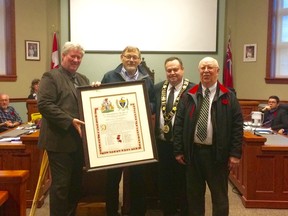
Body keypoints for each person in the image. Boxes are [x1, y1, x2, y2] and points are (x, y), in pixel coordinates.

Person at [173, 57, 243, 216]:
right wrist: (178, 150)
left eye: (210, 67)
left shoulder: (228, 96)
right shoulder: (188, 95)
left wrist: (235, 154)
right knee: (194, 196)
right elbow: (179, 124)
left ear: (217, 71)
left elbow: (238, 126)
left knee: (219, 197)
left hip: (217, 155)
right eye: (203, 68)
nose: (206, 71)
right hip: (193, 154)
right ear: (199, 71)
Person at [37, 42, 97, 216]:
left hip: (79, 143)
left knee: (75, 185)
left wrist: (96, 92)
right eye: (73, 56)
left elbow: (88, 104)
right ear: (63, 56)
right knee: (61, 187)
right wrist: (70, 120)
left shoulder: (83, 79)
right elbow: (45, 105)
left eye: (79, 57)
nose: (76, 60)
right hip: (59, 142)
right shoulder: (50, 76)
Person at [101, 46, 155, 216]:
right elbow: (100, 100)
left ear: (139, 60)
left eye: (135, 57)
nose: (131, 60)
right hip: (114, 135)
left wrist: (142, 106)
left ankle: (137, 213)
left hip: (136, 136)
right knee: (112, 179)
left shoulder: (146, 79)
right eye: (128, 57)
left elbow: (153, 103)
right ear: (121, 57)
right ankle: (111, 212)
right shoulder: (109, 76)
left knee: (138, 179)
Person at [154, 57, 194, 216]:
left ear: (182, 70)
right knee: (164, 183)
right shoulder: (158, 88)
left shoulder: (193, 89)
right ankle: (168, 212)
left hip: (183, 146)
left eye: (175, 69)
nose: (172, 73)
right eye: (169, 70)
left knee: (183, 184)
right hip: (162, 144)